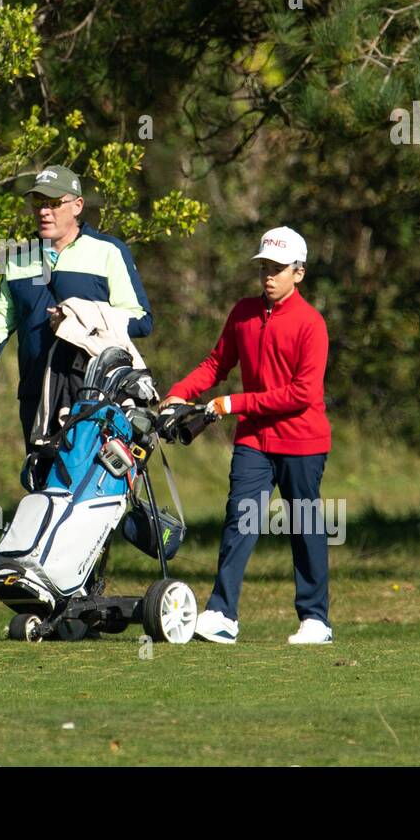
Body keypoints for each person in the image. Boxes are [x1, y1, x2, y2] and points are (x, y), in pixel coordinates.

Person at [161, 226, 333, 645]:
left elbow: (302, 394)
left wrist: (235, 404)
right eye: (264, 268)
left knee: (304, 526)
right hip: (254, 441)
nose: (268, 277)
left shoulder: (312, 324)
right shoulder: (243, 313)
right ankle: (222, 614)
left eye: (278, 269)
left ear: (299, 273)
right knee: (240, 521)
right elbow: (216, 363)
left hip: (302, 441)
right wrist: (178, 393)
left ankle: (315, 620)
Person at [0, 165, 152, 450]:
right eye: (38, 203)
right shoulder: (18, 259)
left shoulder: (109, 251)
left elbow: (142, 320)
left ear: (77, 206)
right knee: (41, 488)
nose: (44, 212)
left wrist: (83, 316)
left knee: (92, 490)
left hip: (94, 396)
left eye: (53, 204)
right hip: (35, 397)